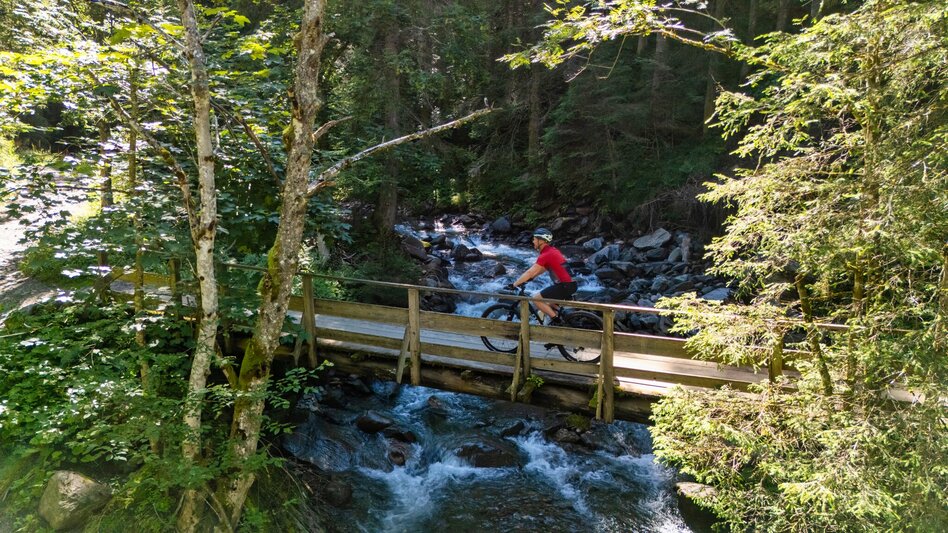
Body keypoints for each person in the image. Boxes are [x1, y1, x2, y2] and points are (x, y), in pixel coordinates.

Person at [507, 227, 577, 323]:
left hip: (564, 286)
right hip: (570, 285)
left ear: (541, 241)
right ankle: (561, 318)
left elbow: (530, 272)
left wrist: (514, 284)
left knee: (536, 299)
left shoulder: (546, 254)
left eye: (534, 239)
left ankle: (557, 322)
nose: (533, 241)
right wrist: (531, 278)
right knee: (547, 304)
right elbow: (542, 269)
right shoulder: (552, 251)